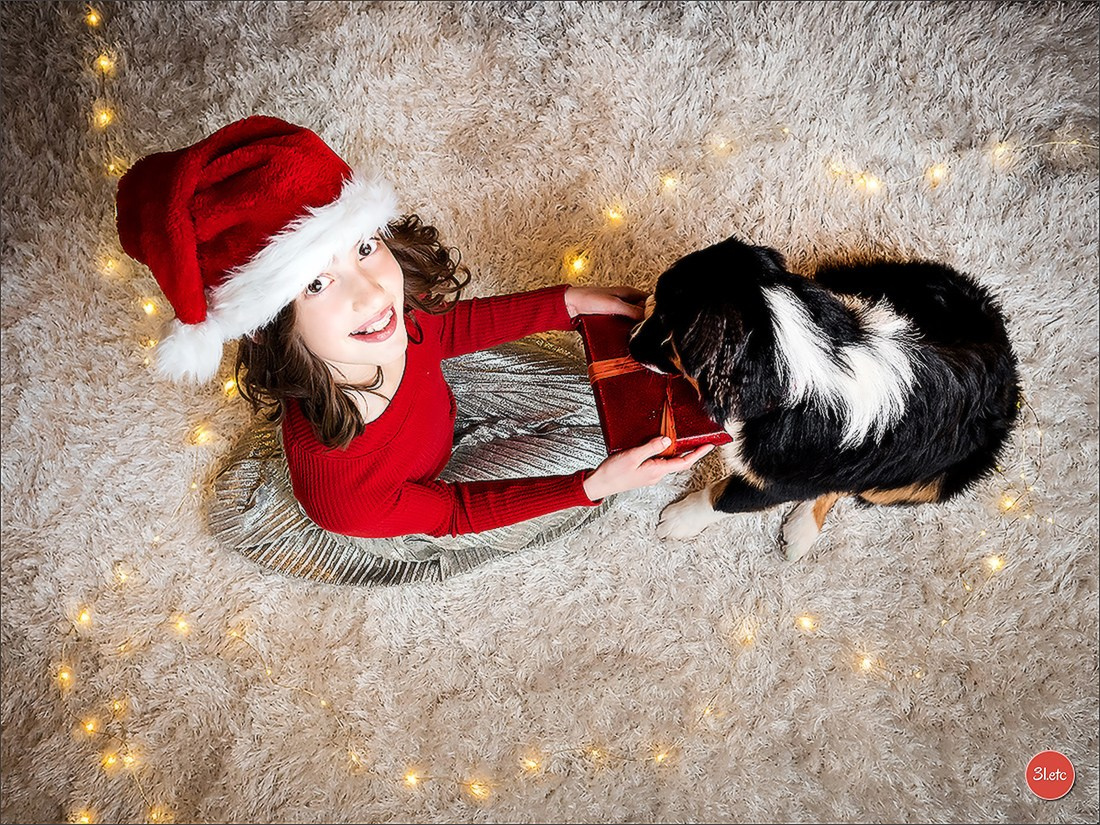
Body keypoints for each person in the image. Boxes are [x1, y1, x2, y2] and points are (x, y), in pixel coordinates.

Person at [115, 115, 712, 583]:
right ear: (270, 324)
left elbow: (449, 331)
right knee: (613, 463)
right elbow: (456, 513)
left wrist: (570, 301)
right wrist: (591, 488)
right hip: (413, 501)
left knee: (615, 396)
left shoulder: (389, 321)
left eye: (365, 248)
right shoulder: (343, 491)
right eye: (318, 283)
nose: (373, 291)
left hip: (441, 411)